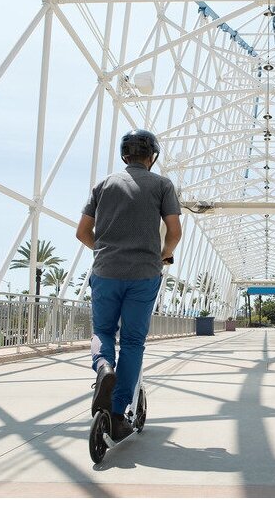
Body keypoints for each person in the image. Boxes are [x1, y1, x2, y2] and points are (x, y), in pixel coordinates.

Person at [76, 129, 182, 441]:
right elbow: (174, 232)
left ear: (125, 155)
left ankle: (104, 368)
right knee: (133, 342)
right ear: (153, 157)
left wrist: (104, 251)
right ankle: (119, 411)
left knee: (103, 332)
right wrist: (162, 254)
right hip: (144, 274)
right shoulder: (163, 185)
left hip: (106, 271)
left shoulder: (103, 184)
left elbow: (83, 231)